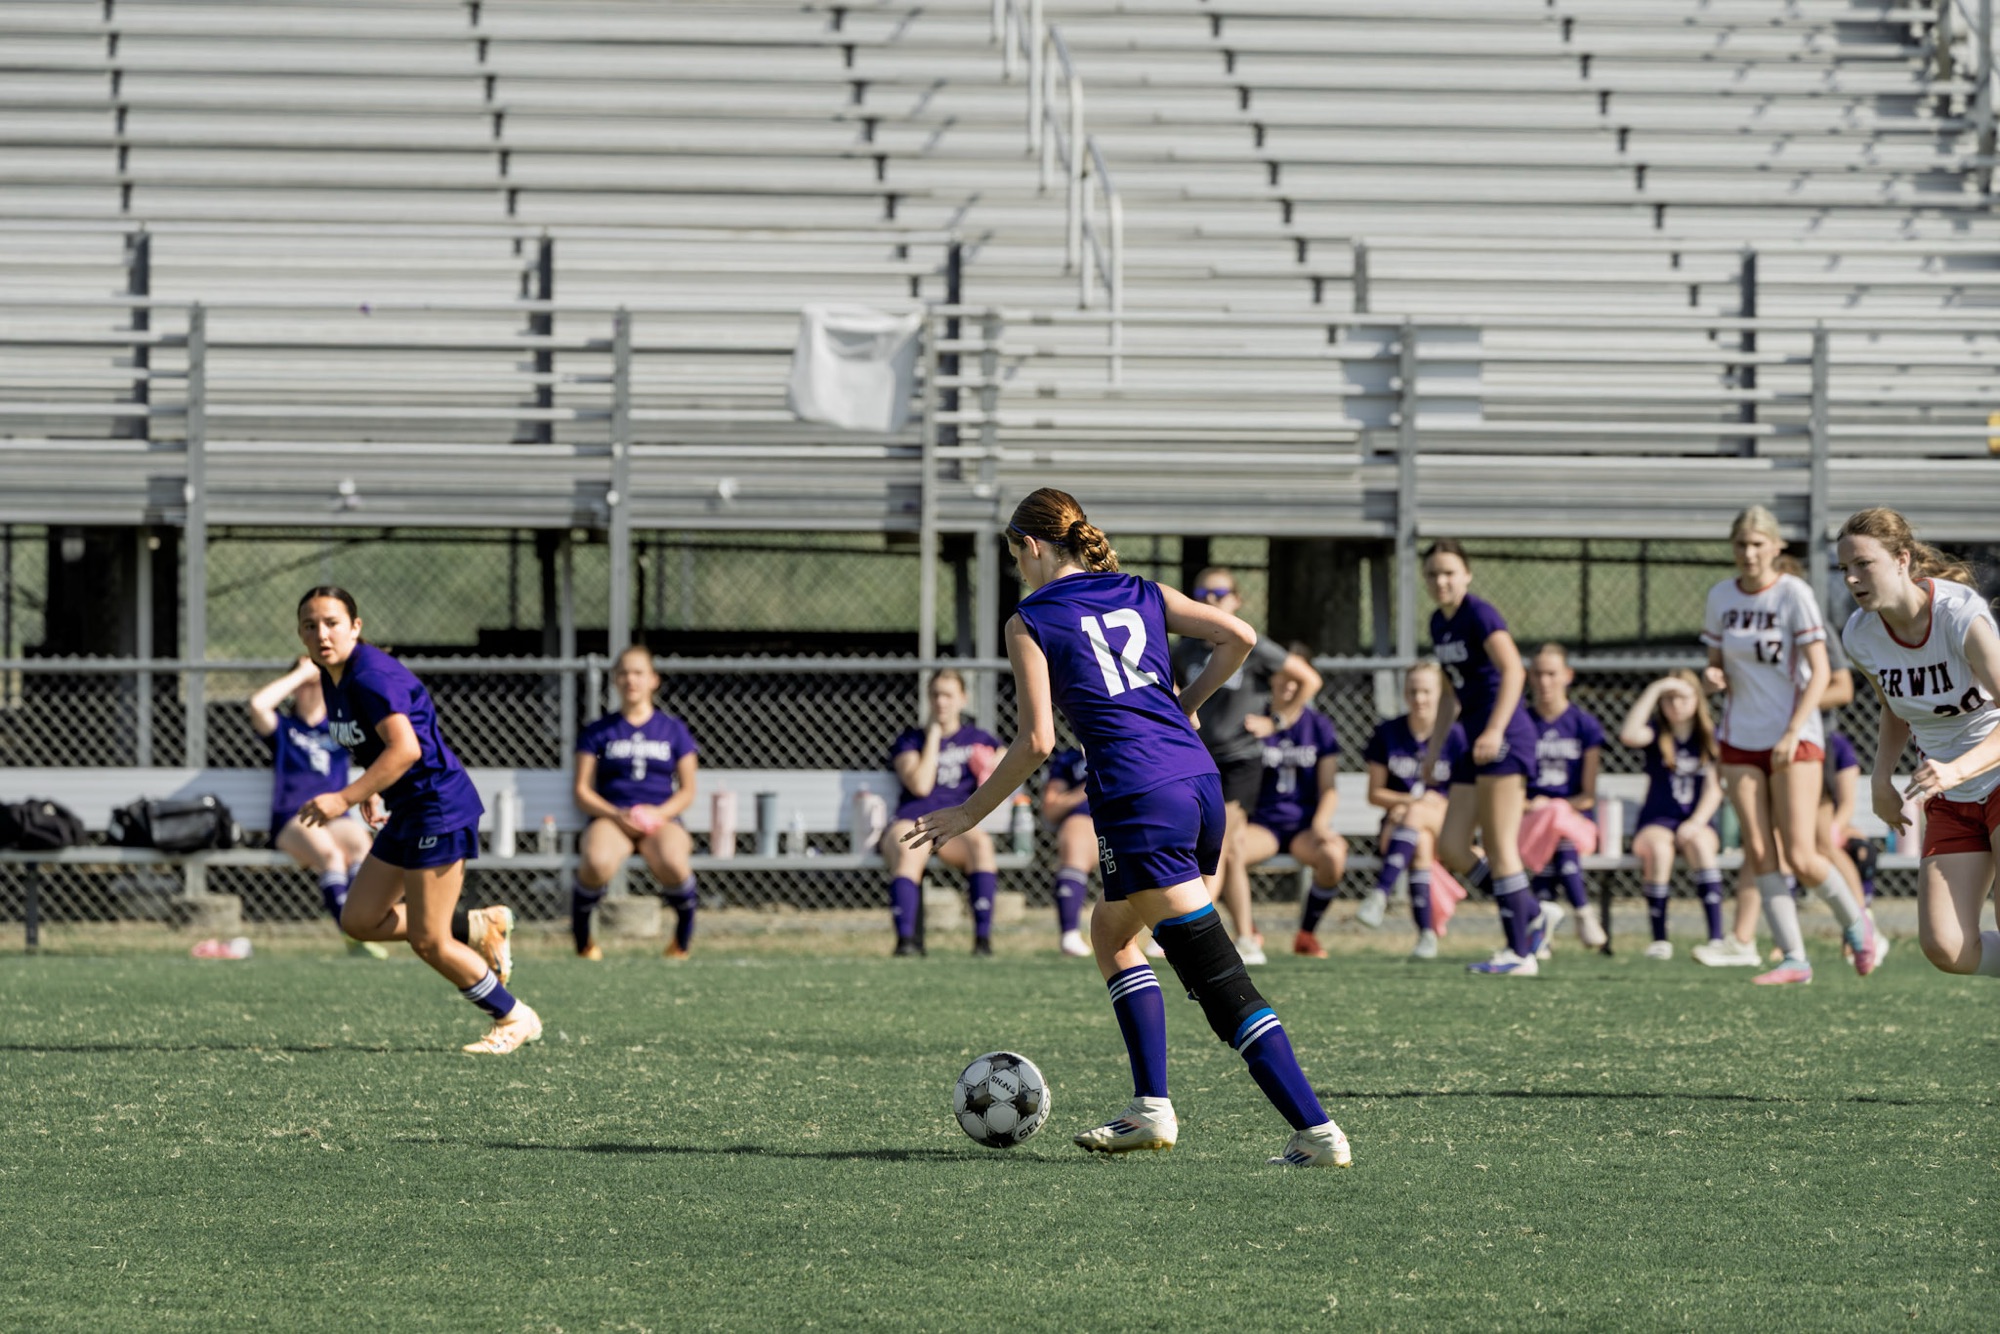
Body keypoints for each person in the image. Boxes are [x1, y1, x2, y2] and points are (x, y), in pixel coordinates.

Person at [906, 487, 1351, 1167]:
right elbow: (1239, 638)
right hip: (1198, 784)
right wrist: (1186, 703)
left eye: (1016, 555)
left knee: (1216, 978)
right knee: (1113, 933)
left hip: (1141, 797)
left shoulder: (1030, 620)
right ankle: (1150, 1109)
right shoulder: (1141, 590)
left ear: (1032, 546)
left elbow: (1036, 742)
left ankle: (1317, 1132)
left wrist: (967, 812)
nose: (1018, 568)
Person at [295, 586, 540, 1054]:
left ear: (355, 627)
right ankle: (476, 926)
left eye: (332, 623)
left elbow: (406, 749)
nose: (322, 634)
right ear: (300, 633)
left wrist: (346, 796)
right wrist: (374, 787)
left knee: (429, 941)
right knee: (359, 919)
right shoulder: (331, 673)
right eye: (311, 625)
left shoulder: (370, 676)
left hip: (438, 808)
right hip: (408, 808)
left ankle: (514, 1016)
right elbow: (374, 742)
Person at [1701, 506, 1875, 984]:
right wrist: (1713, 677)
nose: (1749, 553)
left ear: (1775, 546)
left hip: (1794, 737)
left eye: (1758, 544)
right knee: (1759, 851)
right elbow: (1715, 662)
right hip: (1740, 737)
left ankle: (1858, 923)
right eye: (1741, 544)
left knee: (1801, 853)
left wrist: (1793, 729)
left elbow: (1821, 673)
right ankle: (1794, 958)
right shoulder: (1720, 596)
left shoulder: (1793, 593)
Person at [1837, 507, 2000, 980]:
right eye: (1844, 567)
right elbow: (1895, 706)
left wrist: (1957, 768)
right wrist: (1880, 779)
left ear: (1902, 560)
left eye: (1864, 564)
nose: (1851, 578)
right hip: (1951, 797)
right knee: (1947, 947)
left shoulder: (1958, 614)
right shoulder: (1860, 635)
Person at [1420, 540, 1563, 975]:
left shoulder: (1480, 614)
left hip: (1505, 737)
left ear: (1467, 574)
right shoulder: (1438, 623)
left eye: (1449, 572)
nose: (1441, 581)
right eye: (1433, 574)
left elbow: (1514, 669)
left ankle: (1520, 953)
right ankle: (1532, 911)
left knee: (1501, 848)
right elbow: (1450, 692)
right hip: (1472, 741)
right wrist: (1434, 748)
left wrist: (1497, 729)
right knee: (1452, 846)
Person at [1170, 569, 1321, 967]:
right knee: (1225, 850)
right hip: (1200, 759)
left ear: (1237, 599)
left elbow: (1308, 679)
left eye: (1221, 592)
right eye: (1203, 592)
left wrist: (1278, 721)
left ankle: (1197, 934)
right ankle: (1247, 936)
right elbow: (1172, 689)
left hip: (1240, 760)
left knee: (1220, 845)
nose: (1212, 599)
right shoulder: (1186, 649)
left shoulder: (1248, 641)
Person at [570, 646, 702, 962]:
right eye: (624, 673)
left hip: (660, 818)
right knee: (596, 861)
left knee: (673, 860)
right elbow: (582, 790)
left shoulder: (673, 730)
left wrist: (659, 814)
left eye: (639, 673)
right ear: (615, 680)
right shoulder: (598, 731)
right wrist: (616, 813)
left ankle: (681, 941)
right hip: (613, 817)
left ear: (654, 680)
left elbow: (687, 790)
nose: (631, 680)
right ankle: (584, 942)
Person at [248, 656, 385, 958]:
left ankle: (362, 922)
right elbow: (258, 705)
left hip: (335, 815)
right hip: (293, 818)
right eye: (305, 683)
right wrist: (300, 674)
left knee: (362, 846)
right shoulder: (285, 728)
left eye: (317, 681)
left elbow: (375, 730)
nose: (312, 688)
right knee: (331, 855)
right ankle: (352, 933)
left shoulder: (340, 728)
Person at [1232, 661, 1347, 959]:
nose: (1289, 685)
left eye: (1297, 680)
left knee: (1333, 857)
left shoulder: (1318, 725)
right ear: (1271, 679)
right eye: (1283, 677)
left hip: (1303, 828)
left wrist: (1321, 825)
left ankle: (1306, 935)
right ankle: (1248, 931)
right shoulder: (1254, 721)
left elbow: (1329, 788)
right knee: (1224, 855)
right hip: (1264, 825)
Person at [884, 669, 1003, 956]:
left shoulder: (978, 738)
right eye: (935, 694)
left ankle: (983, 943)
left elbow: (1006, 765)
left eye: (948, 695)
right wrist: (934, 736)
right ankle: (905, 943)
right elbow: (921, 785)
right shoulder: (911, 740)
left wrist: (987, 765)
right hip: (914, 819)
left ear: (963, 699)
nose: (941, 702)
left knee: (981, 845)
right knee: (909, 848)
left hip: (954, 824)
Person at [1360, 661, 1466, 960]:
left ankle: (1380, 893)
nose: (1419, 698)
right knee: (1420, 839)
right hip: (1399, 830)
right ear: (1404, 693)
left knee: (1417, 818)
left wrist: (1426, 805)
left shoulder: (1456, 735)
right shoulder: (1388, 732)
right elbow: (1375, 794)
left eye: (1427, 691)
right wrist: (1409, 803)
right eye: (1413, 691)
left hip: (1448, 826)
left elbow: (1465, 796)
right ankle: (1426, 936)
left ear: (1440, 695)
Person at [1619, 673, 1725, 961]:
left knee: (1700, 845)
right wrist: (1656, 688)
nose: (1676, 704)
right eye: (1669, 698)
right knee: (1659, 849)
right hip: (1658, 820)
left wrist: (1696, 822)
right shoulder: (1656, 733)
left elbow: (1715, 788)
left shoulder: (1710, 737)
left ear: (1697, 700)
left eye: (1683, 697)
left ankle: (1717, 938)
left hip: (1696, 820)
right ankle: (1659, 940)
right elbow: (1628, 734)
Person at [1525, 642, 1609, 951]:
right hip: (1528, 822)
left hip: (1574, 822)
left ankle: (1539, 934)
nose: (1544, 681)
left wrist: (1554, 808)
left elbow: (1588, 796)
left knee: (1560, 829)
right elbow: (1511, 791)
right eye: (1538, 674)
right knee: (1555, 833)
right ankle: (1583, 912)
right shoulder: (1521, 724)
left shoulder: (1584, 725)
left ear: (1567, 675)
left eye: (1552, 674)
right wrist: (1534, 807)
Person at [1042, 746, 1097, 957]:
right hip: (1086, 817)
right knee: (1075, 833)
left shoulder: (1135, 742)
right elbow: (1051, 808)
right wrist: (1088, 784)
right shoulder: (1070, 759)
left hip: (1131, 813)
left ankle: (1166, 934)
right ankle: (1070, 934)